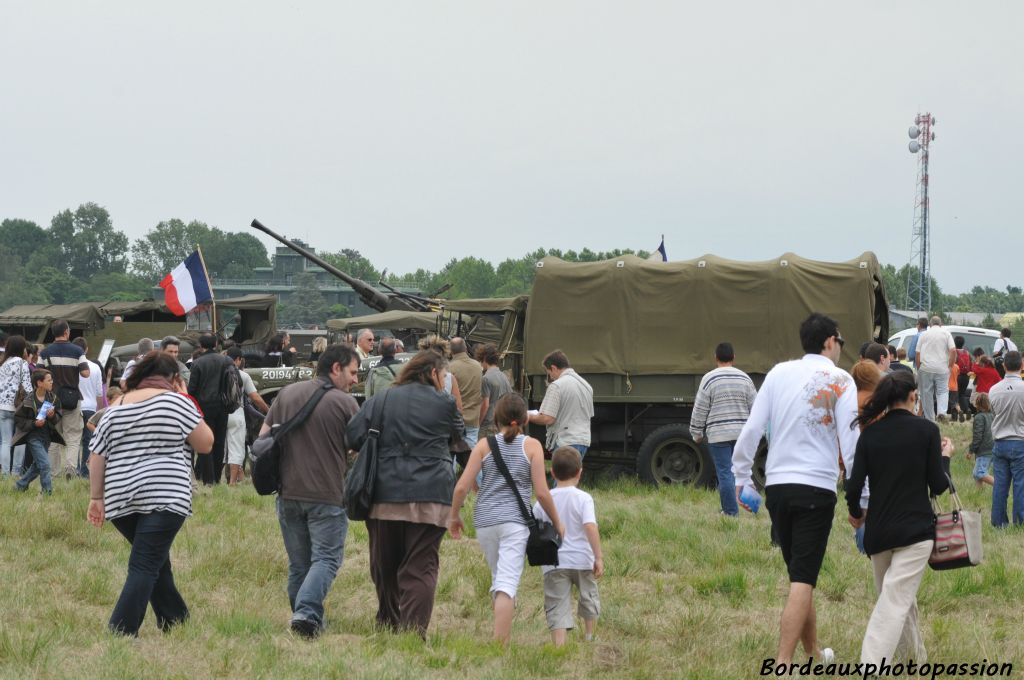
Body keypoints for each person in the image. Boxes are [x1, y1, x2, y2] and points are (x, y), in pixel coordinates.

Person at [733, 313, 861, 667]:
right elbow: (851, 445)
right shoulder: (841, 380)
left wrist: (741, 477)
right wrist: (860, 497)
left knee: (799, 577)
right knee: (803, 579)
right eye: (842, 342)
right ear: (830, 341)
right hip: (816, 489)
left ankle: (813, 653)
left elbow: (752, 428)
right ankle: (784, 663)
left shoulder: (778, 373)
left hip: (777, 487)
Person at [87, 351, 214, 636]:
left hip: (120, 498)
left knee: (155, 559)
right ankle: (121, 630)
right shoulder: (175, 402)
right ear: (173, 378)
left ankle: (175, 619)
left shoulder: (116, 406)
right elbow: (205, 443)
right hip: (165, 495)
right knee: (145, 563)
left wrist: (96, 498)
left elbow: (97, 457)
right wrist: (185, 398)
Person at [346, 350, 464, 638]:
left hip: (384, 492)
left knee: (385, 564)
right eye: (444, 376)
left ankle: (388, 620)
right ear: (433, 373)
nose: (445, 382)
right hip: (431, 494)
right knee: (421, 566)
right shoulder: (445, 403)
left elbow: (353, 435)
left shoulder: (383, 398)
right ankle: (413, 632)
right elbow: (458, 437)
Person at [845, 371, 954, 668]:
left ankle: (914, 659)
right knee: (896, 601)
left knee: (896, 597)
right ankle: (871, 665)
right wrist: (946, 457)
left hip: (878, 532)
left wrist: (856, 514)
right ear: (911, 396)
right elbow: (939, 485)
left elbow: (853, 485)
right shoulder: (927, 431)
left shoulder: (870, 434)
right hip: (916, 532)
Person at [260, 344, 360, 638]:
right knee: (326, 560)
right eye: (353, 373)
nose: (355, 380)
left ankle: (304, 620)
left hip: (288, 493)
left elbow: (264, 439)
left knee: (300, 564)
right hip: (327, 494)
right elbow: (358, 445)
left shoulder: (286, 394)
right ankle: (306, 612)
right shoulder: (345, 403)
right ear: (336, 368)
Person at [449, 393, 563, 645]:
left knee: (498, 577)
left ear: (497, 418)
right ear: (524, 419)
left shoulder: (483, 445)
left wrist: (453, 516)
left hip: (485, 521)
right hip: (515, 522)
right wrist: (558, 522)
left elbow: (461, 487)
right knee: (507, 583)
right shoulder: (532, 446)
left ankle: (500, 627)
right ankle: (500, 645)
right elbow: (542, 493)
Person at [532, 446, 603, 646]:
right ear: (580, 472)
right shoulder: (584, 498)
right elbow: (590, 526)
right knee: (588, 597)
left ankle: (559, 645)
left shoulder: (543, 501)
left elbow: (536, 531)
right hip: (582, 560)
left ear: (552, 472)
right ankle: (590, 637)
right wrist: (598, 557)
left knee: (557, 602)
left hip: (554, 562)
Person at [688, 342, 757, 516]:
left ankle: (730, 512)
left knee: (725, 473)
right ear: (733, 358)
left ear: (716, 358)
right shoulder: (745, 378)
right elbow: (756, 408)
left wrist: (696, 433)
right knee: (743, 470)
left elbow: (700, 409)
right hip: (742, 435)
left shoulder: (709, 379)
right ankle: (752, 508)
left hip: (718, 436)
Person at [40, 319, 91, 478]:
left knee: (53, 437)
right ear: (67, 332)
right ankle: (70, 468)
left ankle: (54, 472)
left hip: (50, 399)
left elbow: (37, 375)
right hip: (72, 399)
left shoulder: (45, 353)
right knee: (73, 436)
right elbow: (86, 373)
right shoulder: (77, 351)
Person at [528, 350, 594, 457]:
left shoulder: (557, 386)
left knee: (562, 474)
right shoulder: (587, 386)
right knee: (574, 474)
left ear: (553, 368)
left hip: (565, 442)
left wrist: (527, 416)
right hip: (583, 441)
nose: (550, 377)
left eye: (548, 373)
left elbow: (547, 418)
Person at [187, 334, 234, 485]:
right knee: (220, 442)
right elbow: (236, 381)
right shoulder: (227, 360)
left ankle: (208, 479)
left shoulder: (197, 363)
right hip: (224, 405)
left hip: (204, 407)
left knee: (206, 442)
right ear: (215, 344)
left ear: (201, 345)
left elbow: (192, 389)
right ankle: (218, 477)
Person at [987, 350, 1024, 528]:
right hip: (1020, 441)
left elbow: (994, 414)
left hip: (1000, 442)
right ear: (1022, 366)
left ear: (1003, 366)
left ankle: (998, 521)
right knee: (1020, 485)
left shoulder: (994, 390)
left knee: (1000, 486)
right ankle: (1020, 521)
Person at [12, 368, 63, 494]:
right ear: (39, 383)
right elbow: (19, 419)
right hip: (33, 436)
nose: (52, 382)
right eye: (49, 380)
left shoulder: (53, 398)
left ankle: (20, 485)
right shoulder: (28, 400)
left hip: (46, 436)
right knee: (45, 464)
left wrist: (52, 416)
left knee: (37, 465)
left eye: (52, 380)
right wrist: (34, 423)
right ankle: (47, 492)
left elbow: (58, 417)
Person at [224, 347, 269, 486]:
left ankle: (215, 479)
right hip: (237, 413)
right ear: (238, 360)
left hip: (220, 414)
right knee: (236, 448)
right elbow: (255, 398)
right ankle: (232, 482)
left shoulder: (219, 371)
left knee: (222, 448)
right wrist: (268, 410)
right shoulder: (243, 375)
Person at [0, 335, 32, 476]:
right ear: (21, 348)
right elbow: (27, 387)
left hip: (2, 406)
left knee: (5, 442)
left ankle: (5, 474)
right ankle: (16, 472)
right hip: (19, 407)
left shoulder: (3, 363)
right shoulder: (22, 363)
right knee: (20, 439)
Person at [72, 337, 104, 478]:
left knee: (73, 440)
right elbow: (99, 392)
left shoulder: (72, 366)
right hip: (90, 407)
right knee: (87, 441)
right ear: (87, 349)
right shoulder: (95, 367)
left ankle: (73, 468)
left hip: (74, 406)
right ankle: (85, 472)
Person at [914, 316, 955, 422]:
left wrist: (919, 368)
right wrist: (950, 366)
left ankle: (930, 419)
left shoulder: (924, 334)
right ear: (940, 324)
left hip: (926, 367)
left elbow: (917, 353)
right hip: (942, 368)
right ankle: (941, 413)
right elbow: (953, 350)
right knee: (942, 391)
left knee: (926, 393)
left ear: (930, 325)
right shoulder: (946, 333)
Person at [449, 337, 483, 448]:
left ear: (451, 351)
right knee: (471, 455)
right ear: (465, 348)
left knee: (454, 455)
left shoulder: (449, 368)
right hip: (473, 417)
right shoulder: (478, 366)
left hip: (455, 419)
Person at [477, 344, 512, 440]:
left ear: (484, 359)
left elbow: (485, 404)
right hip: (502, 423)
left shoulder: (485, 378)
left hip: (488, 424)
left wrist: (478, 423)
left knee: (484, 453)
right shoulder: (504, 377)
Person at [968, 392, 995, 488]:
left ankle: (1000, 486)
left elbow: (977, 437)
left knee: (978, 473)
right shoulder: (992, 415)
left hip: (984, 450)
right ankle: (978, 494)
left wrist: (971, 450)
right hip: (992, 448)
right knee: (978, 475)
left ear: (977, 404)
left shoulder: (979, 417)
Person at [954, 336, 973, 420]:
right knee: (962, 394)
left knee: (954, 395)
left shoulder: (954, 352)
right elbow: (971, 364)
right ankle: (967, 409)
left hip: (957, 376)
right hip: (966, 377)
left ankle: (957, 413)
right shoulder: (967, 353)